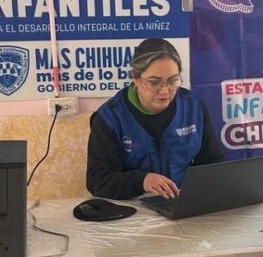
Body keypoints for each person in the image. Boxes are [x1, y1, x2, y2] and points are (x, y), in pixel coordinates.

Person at [86, 38, 224, 200]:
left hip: (183, 201)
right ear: (135, 78)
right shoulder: (110, 117)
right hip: (133, 205)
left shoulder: (194, 107)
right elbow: (97, 180)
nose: (164, 90)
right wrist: (141, 181)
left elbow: (213, 163)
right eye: (154, 82)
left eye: (172, 80)